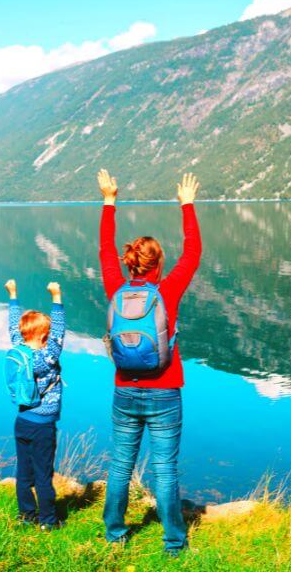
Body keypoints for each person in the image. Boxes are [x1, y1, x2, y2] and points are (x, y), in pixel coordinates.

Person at [97, 169, 202, 555]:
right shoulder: (168, 291)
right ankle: (173, 542)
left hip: (125, 390)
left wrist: (109, 201)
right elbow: (193, 253)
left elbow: (105, 251)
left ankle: (114, 533)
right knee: (165, 469)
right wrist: (186, 204)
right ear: (158, 264)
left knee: (120, 465)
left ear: (129, 265)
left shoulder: (116, 287)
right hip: (165, 392)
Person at [4, 279, 65, 531]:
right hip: (43, 425)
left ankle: (26, 515)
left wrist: (13, 295)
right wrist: (57, 296)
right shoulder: (47, 357)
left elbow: (12, 326)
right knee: (43, 475)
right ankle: (48, 522)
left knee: (23, 473)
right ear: (43, 335)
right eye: (48, 334)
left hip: (22, 421)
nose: (52, 336)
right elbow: (60, 331)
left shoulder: (18, 349)